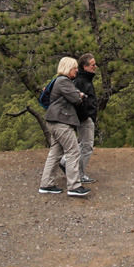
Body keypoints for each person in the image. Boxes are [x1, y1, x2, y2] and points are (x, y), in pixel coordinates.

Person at [38, 57, 90, 197]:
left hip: (53, 120)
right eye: (74, 68)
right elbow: (76, 99)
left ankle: (46, 184)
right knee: (73, 151)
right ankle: (74, 186)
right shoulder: (64, 81)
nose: (77, 71)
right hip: (61, 122)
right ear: (68, 68)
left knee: (55, 153)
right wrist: (81, 95)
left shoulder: (59, 81)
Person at [59, 53, 98, 184]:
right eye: (93, 65)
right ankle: (79, 174)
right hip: (84, 119)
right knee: (87, 146)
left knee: (82, 144)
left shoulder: (82, 80)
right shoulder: (82, 81)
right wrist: (86, 116)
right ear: (85, 66)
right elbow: (78, 100)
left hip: (83, 118)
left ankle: (65, 161)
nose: (95, 67)